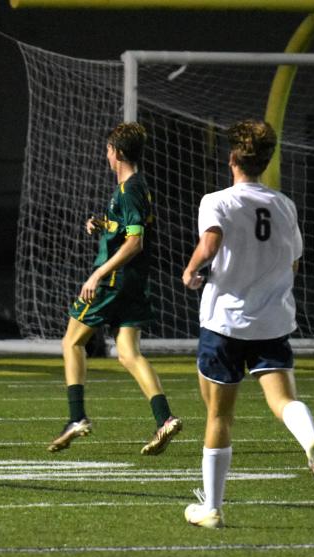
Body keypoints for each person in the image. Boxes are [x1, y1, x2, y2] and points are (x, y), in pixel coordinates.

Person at [181, 119, 314, 529]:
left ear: (233, 158)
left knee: (219, 417)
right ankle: (311, 443)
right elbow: (294, 261)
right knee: (283, 401)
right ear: (265, 162)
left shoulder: (217, 200)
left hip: (225, 324)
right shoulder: (285, 205)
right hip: (272, 322)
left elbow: (211, 242)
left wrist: (193, 269)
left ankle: (212, 508)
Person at [48, 122, 183, 456]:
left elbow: (135, 242)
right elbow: (128, 230)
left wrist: (97, 275)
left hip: (115, 280)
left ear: (118, 153)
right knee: (128, 352)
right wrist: (103, 226)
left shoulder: (129, 190)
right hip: (135, 281)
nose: (105, 155)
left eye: (108, 149)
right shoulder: (134, 187)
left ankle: (77, 417)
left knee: (72, 341)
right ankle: (164, 419)